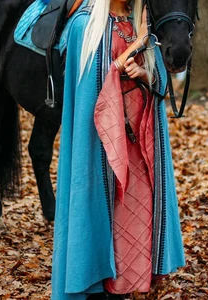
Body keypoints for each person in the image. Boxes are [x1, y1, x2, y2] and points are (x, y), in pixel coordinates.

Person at [52, 0, 185, 299]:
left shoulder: (142, 26)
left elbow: (159, 80)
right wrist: (128, 53)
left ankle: (122, 287)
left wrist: (145, 73)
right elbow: (91, 85)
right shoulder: (83, 26)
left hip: (138, 145)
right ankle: (94, 282)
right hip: (99, 146)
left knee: (132, 219)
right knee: (103, 213)